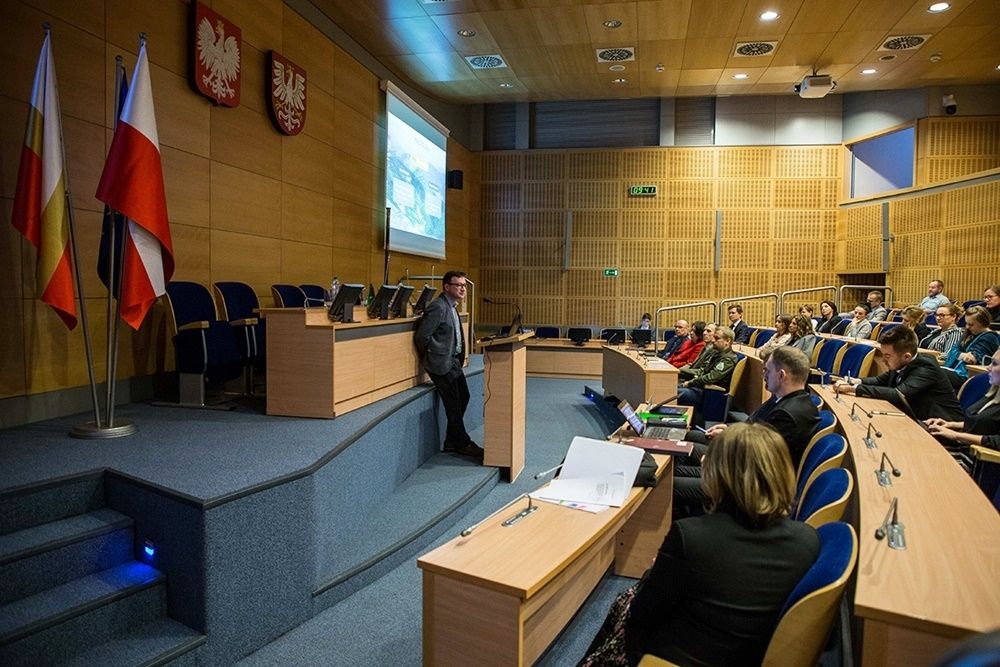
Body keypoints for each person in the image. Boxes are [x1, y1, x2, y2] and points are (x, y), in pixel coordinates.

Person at [580, 423, 819, 667]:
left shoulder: (691, 536)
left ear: (719, 475)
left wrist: (658, 570)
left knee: (626, 603)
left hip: (678, 657)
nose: (704, 463)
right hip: (753, 656)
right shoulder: (808, 540)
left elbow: (644, 616)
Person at [673, 346, 820, 507]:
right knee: (685, 444)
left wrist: (717, 460)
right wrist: (728, 430)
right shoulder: (785, 399)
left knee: (670, 483)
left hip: (749, 486)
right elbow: (754, 429)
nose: (763, 375)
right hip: (743, 465)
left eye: (767, 371)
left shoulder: (787, 415)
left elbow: (760, 461)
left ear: (781, 375)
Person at [413, 270, 483, 458]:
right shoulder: (438, 307)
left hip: (453, 362)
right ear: (446, 287)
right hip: (441, 363)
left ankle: (452, 441)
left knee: (464, 396)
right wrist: (433, 356)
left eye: (464, 285)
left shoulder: (452, 306)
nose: (463, 289)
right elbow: (422, 336)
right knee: (453, 404)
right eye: (458, 285)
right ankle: (462, 443)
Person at [833, 326, 963, 422]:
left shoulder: (926, 367)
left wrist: (853, 388)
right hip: (916, 419)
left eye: (887, 356)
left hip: (942, 427)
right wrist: (854, 381)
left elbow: (898, 394)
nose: (883, 360)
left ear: (906, 356)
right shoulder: (901, 363)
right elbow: (879, 380)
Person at [926, 350, 1000, 451]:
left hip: (974, 456)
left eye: (994, 364)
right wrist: (950, 424)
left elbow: (996, 441)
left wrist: (956, 435)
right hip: (963, 446)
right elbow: (983, 425)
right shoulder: (993, 393)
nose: (988, 367)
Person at [677, 326, 738, 423]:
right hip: (699, 388)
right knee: (670, 389)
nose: (713, 340)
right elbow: (703, 371)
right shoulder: (716, 353)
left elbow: (710, 378)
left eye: (717, 338)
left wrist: (690, 383)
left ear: (727, 341)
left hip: (708, 392)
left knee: (673, 393)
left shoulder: (728, 359)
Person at [943, 305, 1000, 388]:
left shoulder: (989, 337)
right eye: (966, 323)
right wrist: (962, 355)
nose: (967, 327)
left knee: (934, 373)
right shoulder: (969, 333)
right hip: (955, 371)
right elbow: (952, 350)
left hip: (967, 375)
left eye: (971, 324)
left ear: (983, 323)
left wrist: (959, 354)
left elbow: (972, 358)